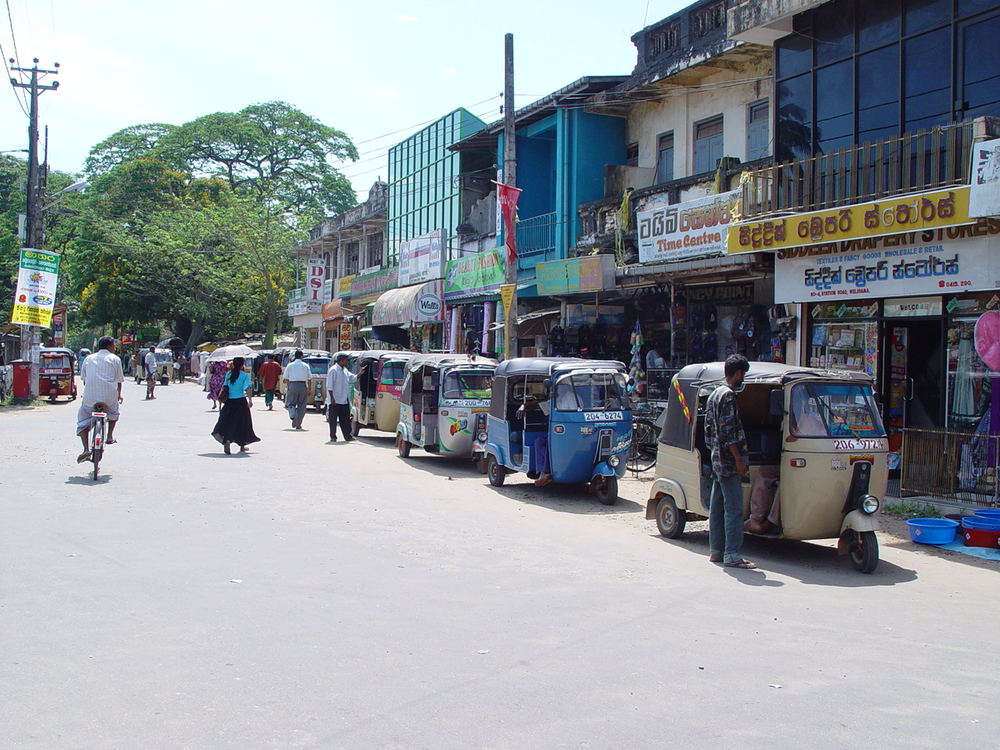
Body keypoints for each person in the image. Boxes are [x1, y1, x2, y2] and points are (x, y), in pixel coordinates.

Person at [704, 354, 757, 569]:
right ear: (737, 373)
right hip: (728, 462)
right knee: (734, 508)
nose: (742, 378)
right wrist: (738, 459)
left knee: (717, 507)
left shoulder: (714, 394)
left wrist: (716, 453)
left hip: (717, 459)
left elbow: (709, 431)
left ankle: (716, 551)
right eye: (742, 374)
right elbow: (728, 433)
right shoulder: (728, 396)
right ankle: (732, 553)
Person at [76, 336, 124, 463]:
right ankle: (109, 436)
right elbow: (119, 381)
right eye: (114, 345)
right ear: (109, 346)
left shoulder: (88, 358)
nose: (114, 348)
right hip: (109, 398)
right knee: (114, 413)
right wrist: (119, 395)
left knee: (83, 420)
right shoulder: (115, 359)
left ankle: (86, 449)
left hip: (90, 398)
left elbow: (85, 380)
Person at [210, 356, 260, 454]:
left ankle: (227, 441)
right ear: (242, 365)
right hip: (241, 402)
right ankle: (242, 445)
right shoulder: (244, 375)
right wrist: (250, 400)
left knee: (228, 422)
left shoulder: (228, 374)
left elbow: (224, 387)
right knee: (243, 423)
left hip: (229, 402)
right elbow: (247, 388)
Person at [326, 353, 364, 441]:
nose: (347, 362)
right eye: (346, 360)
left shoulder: (345, 370)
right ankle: (333, 436)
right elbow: (329, 386)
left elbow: (352, 378)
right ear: (342, 360)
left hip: (344, 399)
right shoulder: (333, 370)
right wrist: (332, 398)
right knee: (333, 420)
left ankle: (347, 436)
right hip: (334, 399)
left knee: (345, 419)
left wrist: (360, 373)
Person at [282, 349, 311, 429]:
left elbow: (285, 378)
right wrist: (309, 389)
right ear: (302, 356)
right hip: (303, 385)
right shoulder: (305, 365)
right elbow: (309, 378)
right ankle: (298, 424)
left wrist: (289, 386)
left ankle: (293, 416)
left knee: (291, 403)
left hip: (292, 385)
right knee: (302, 405)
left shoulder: (290, 365)